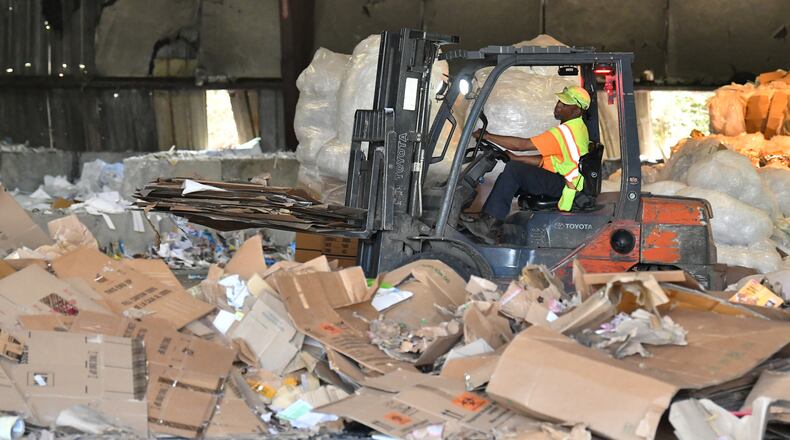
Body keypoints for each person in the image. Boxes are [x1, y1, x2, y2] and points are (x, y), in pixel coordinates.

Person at [465, 85, 591, 241]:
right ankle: (489, 220)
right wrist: (518, 158)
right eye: (559, 101)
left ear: (576, 111)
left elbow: (521, 145)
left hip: (567, 187)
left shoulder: (564, 132)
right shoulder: (577, 128)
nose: (558, 105)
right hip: (568, 181)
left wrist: (488, 136)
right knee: (516, 167)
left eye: (565, 104)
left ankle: (489, 225)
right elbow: (551, 160)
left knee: (514, 171)